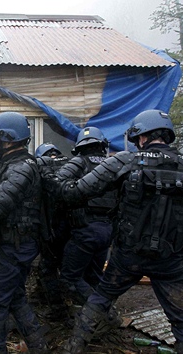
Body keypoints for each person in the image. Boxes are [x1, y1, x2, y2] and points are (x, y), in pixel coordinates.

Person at [44, 110, 183, 354]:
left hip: (127, 258)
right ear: (167, 135)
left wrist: (54, 178)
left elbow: (73, 193)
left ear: (140, 138)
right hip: (172, 261)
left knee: (99, 300)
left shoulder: (124, 161)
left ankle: (73, 348)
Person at [0, 111, 49, 354]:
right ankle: (40, 347)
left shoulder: (22, 167)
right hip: (12, 244)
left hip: (15, 246)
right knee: (16, 298)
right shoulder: (11, 164)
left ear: (7, 140)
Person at [55, 127, 117, 308]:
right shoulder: (112, 165)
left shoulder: (79, 162)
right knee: (94, 276)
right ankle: (101, 312)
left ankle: (99, 311)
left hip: (86, 229)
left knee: (69, 278)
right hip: (107, 231)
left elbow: (57, 183)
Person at [34, 143, 71, 320]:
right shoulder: (72, 164)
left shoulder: (39, 167)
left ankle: (58, 310)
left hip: (51, 228)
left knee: (47, 268)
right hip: (74, 229)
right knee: (67, 268)